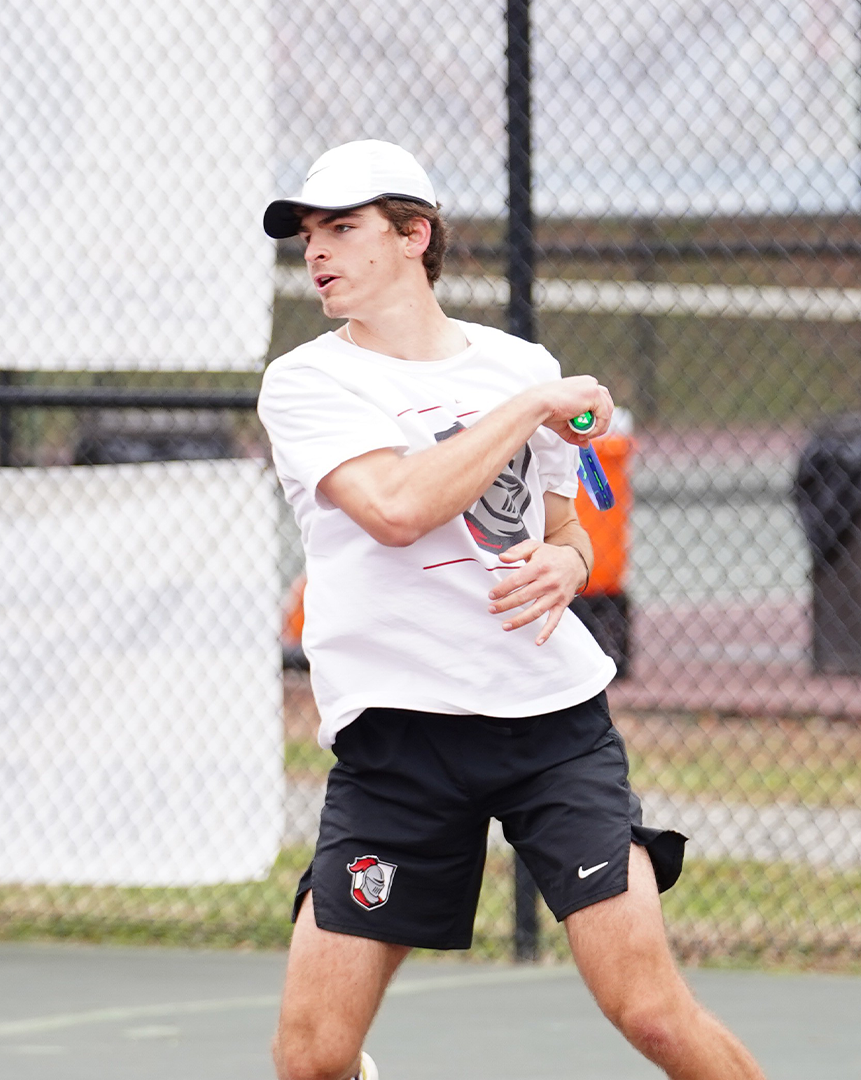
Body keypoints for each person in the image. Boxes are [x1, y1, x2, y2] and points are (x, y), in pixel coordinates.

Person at [255, 141, 763, 1080]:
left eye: (342, 228)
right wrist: (528, 406)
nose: (316, 251)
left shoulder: (518, 362)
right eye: (307, 235)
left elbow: (568, 532)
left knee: (653, 1015)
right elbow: (398, 510)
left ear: (415, 236)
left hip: (551, 732)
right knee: (312, 1059)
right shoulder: (308, 382)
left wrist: (569, 568)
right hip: (398, 748)